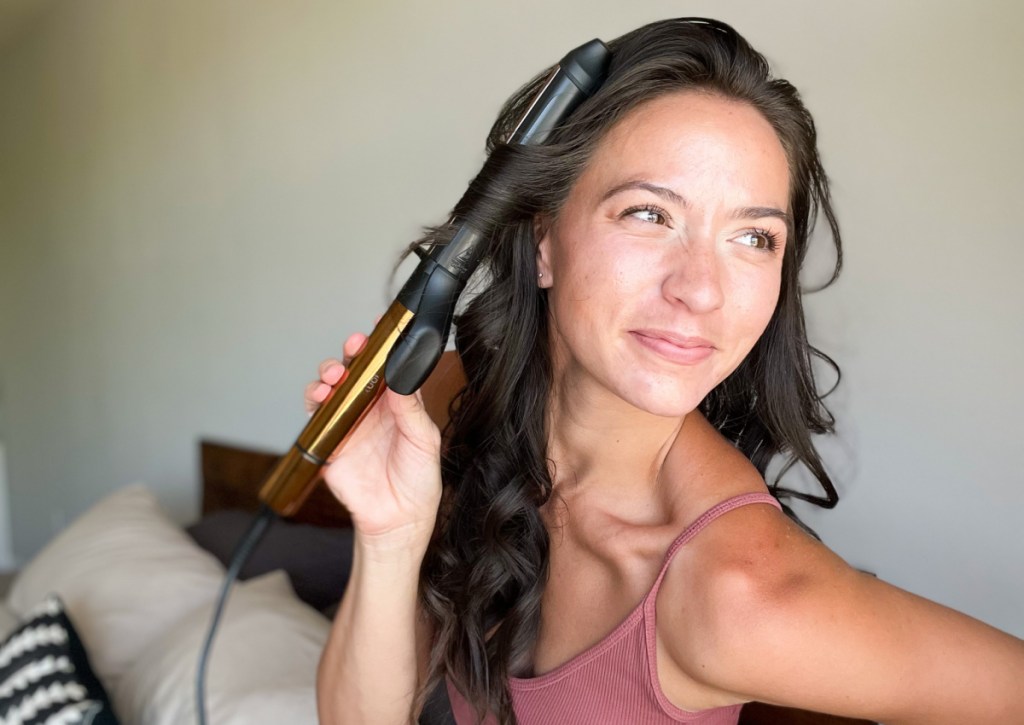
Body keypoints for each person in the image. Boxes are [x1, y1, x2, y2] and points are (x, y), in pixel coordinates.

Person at [310, 18, 1024, 725]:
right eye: (649, 214)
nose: (701, 288)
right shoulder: (452, 402)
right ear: (543, 241)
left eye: (753, 237)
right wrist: (391, 537)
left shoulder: (740, 595)